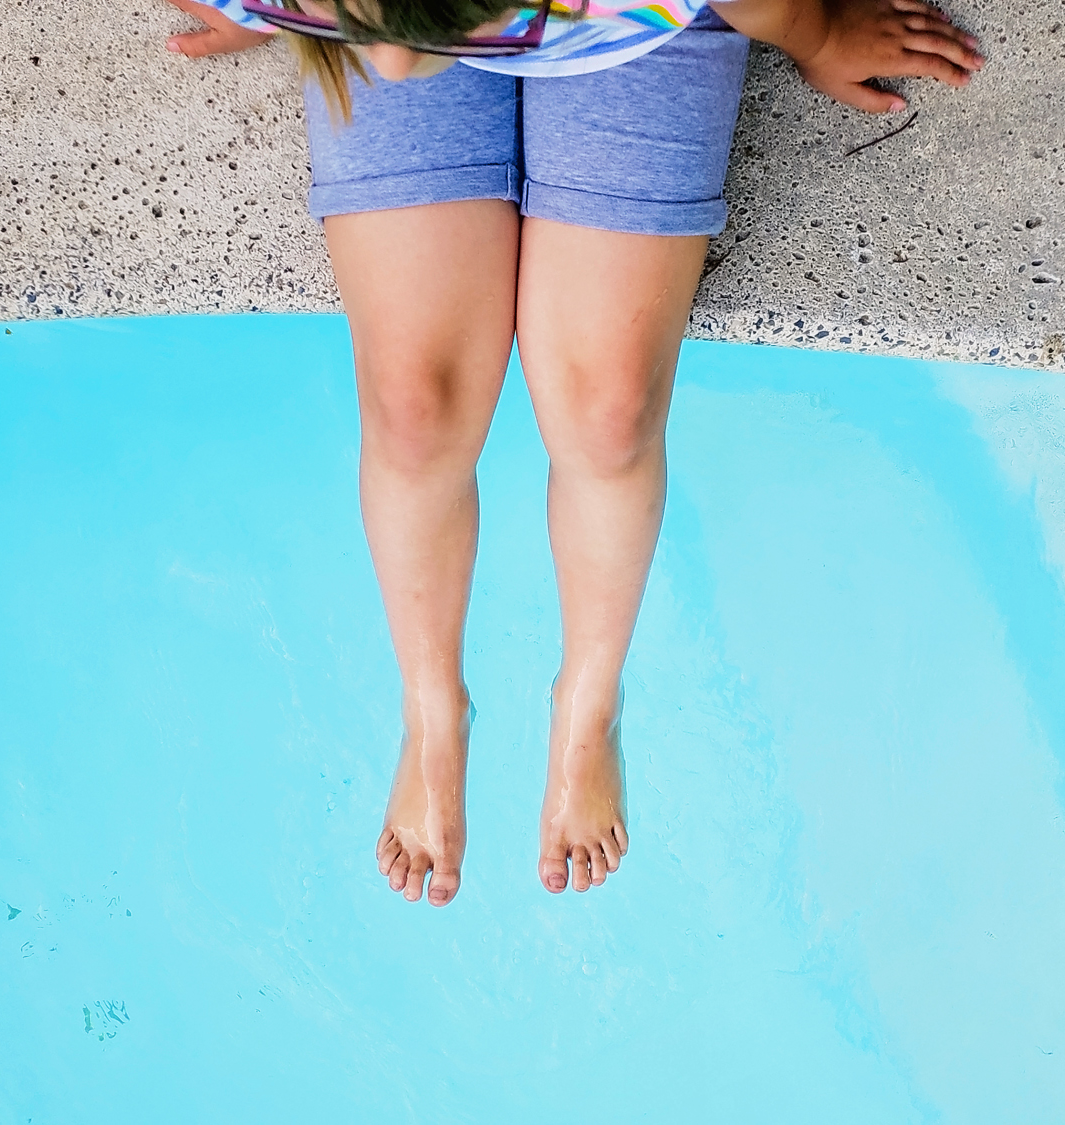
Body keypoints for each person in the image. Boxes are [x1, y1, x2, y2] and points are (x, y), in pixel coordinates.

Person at [162, 0, 982, 906]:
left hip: (626, 25)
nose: (393, 68)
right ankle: (432, 711)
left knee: (611, 409)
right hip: (435, 11)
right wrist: (286, 9)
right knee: (412, 407)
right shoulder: (381, 29)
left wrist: (817, 33)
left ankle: (590, 703)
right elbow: (390, 48)